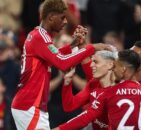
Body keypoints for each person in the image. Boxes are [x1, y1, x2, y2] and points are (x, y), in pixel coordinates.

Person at [11, 0, 110, 129]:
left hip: (29, 104)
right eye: (62, 17)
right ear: (51, 17)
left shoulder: (38, 35)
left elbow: (54, 56)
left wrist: (73, 45)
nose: (66, 22)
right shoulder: (41, 37)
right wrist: (92, 47)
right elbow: (62, 63)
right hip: (30, 105)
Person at [52, 50, 141, 130]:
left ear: (123, 69)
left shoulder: (109, 93)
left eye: (116, 66)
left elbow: (85, 117)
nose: (114, 69)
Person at [61, 49, 117, 130]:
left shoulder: (120, 89)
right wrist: (67, 82)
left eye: (96, 62)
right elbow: (69, 106)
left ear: (110, 65)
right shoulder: (93, 83)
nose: (91, 65)